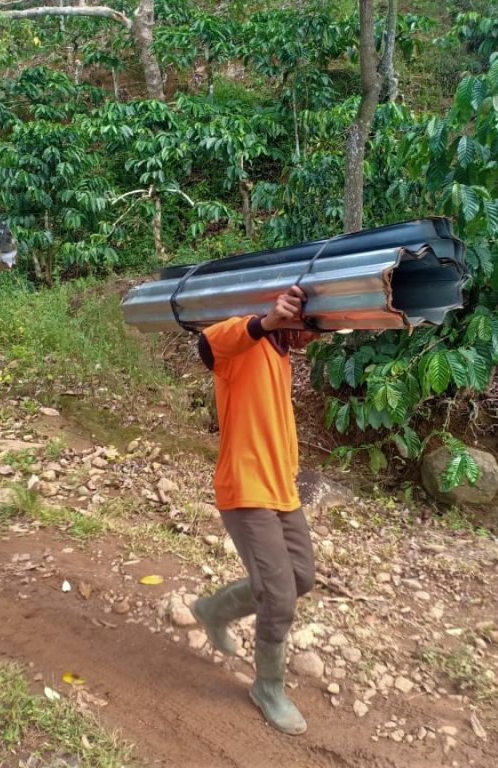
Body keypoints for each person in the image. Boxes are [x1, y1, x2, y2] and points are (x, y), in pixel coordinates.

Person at [192, 285, 319, 736]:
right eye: (300, 323)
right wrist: (268, 319)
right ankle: (268, 687)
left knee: (301, 577)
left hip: (281, 487)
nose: (306, 335)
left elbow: (300, 333)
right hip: (246, 488)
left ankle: (213, 610)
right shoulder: (237, 341)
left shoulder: (281, 354)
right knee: (280, 595)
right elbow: (209, 341)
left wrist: (301, 326)